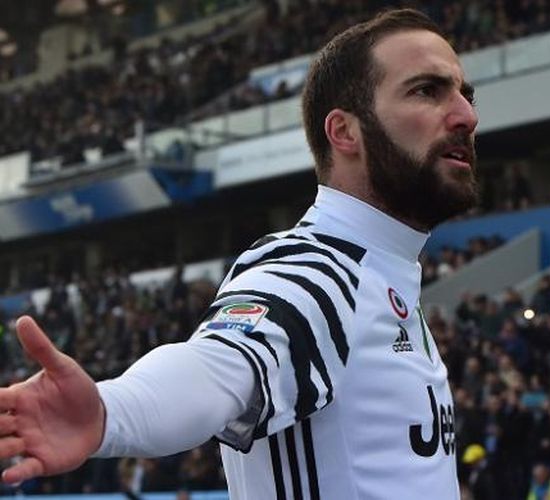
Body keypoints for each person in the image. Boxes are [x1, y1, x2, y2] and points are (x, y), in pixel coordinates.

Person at [0, 8, 479, 500]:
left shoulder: (387, 277)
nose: (467, 114)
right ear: (344, 133)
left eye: (466, 94)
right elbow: (217, 368)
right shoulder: (314, 270)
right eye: (426, 90)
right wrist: (109, 413)